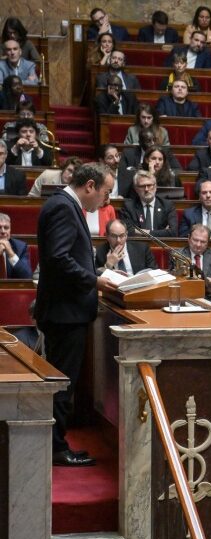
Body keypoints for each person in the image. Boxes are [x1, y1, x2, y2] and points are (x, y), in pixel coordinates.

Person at [38, 163, 115, 466]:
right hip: (64, 313)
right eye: (106, 193)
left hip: (66, 310)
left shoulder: (65, 204)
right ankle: (56, 448)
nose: (106, 201)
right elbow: (58, 259)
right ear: (90, 186)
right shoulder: (63, 207)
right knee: (62, 383)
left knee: (64, 382)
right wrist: (93, 280)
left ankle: (57, 443)